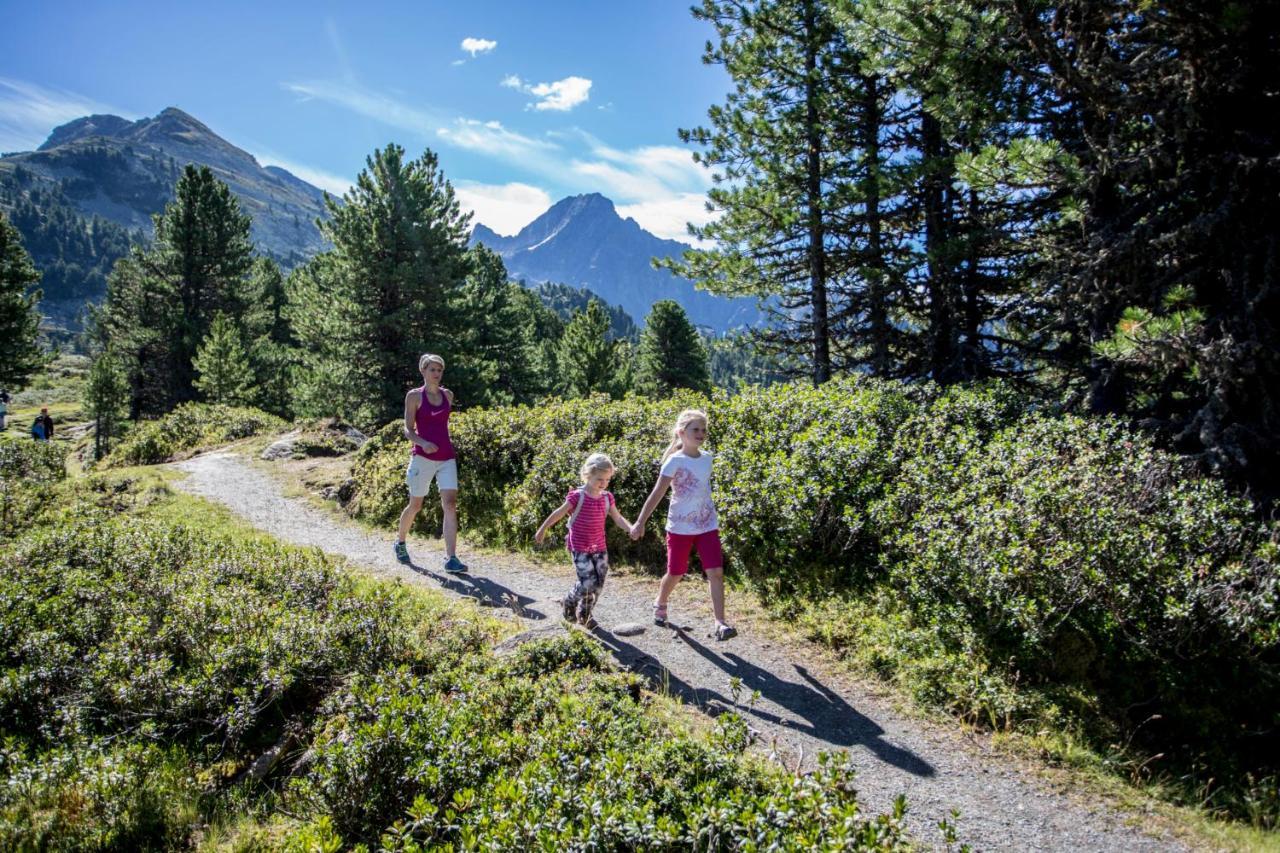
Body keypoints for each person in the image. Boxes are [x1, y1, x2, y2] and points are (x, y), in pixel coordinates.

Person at [631, 408, 736, 641]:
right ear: (681, 432)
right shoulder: (674, 461)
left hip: (707, 524)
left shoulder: (707, 458)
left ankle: (720, 623)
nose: (701, 433)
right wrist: (640, 522)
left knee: (716, 572)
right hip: (679, 527)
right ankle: (660, 601)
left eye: (703, 430)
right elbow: (657, 494)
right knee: (676, 572)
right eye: (695, 429)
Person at [535, 452, 634, 628]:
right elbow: (558, 513)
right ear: (588, 475)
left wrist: (631, 528)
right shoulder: (577, 496)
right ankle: (569, 601)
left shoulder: (606, 497)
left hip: (599, 547)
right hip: (579, 547)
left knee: (599, 584)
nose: (603, 483)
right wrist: (543, 529)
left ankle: (585, 614)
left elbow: (618, 518)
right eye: (599, 479)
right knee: (588, 582)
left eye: (607, 480)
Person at [393, 354, 467, 573]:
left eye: (440, 370)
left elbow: (441, 425)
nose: (437, 374)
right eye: (433, 370)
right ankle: (400, 542)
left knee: (450, 505)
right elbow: (408, 429)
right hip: (422, 458)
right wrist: (423, 443)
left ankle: (451, 558)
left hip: (446, 457)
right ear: (423, 371)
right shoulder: (414, 397)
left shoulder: (448, 395)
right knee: (416, 505)